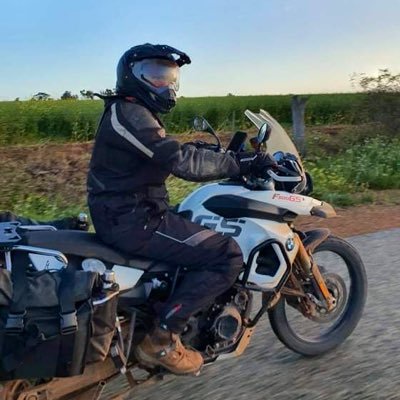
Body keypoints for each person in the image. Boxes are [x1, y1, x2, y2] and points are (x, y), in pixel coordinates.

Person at [87, 43, 276, 375]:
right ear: (131, 77)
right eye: (155, 76)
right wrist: (242, 161)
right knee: (227, 255)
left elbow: (164, 149)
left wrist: (210, 152)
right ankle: (161, 339)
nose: (166, 85)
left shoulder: (134, 113)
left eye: (170, 77)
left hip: (131, 212)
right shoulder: (128, 113)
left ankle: (165, 314)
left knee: (193, 225)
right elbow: (180, 162)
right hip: (133, 220)